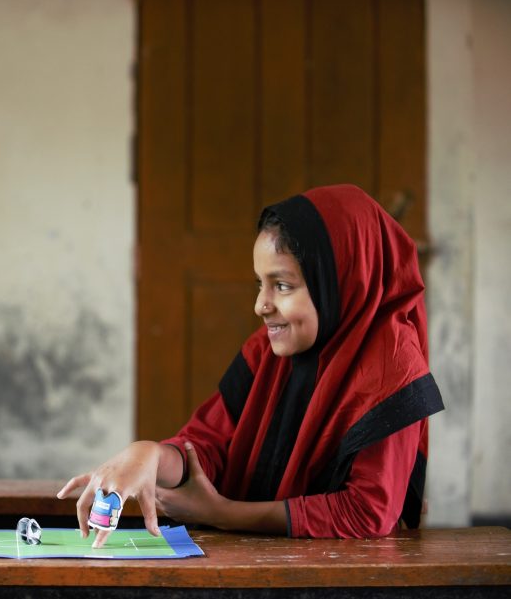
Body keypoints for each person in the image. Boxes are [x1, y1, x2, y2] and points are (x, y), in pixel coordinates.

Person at [59, 184, 444, 547]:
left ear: (341, 281)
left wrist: (225, 514)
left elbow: (366, 512)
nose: (261, 305)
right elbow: (208, 447)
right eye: (260, 284)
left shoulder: (393, 365)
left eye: (283, 286)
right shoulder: (267, 351)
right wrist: (150, 456)